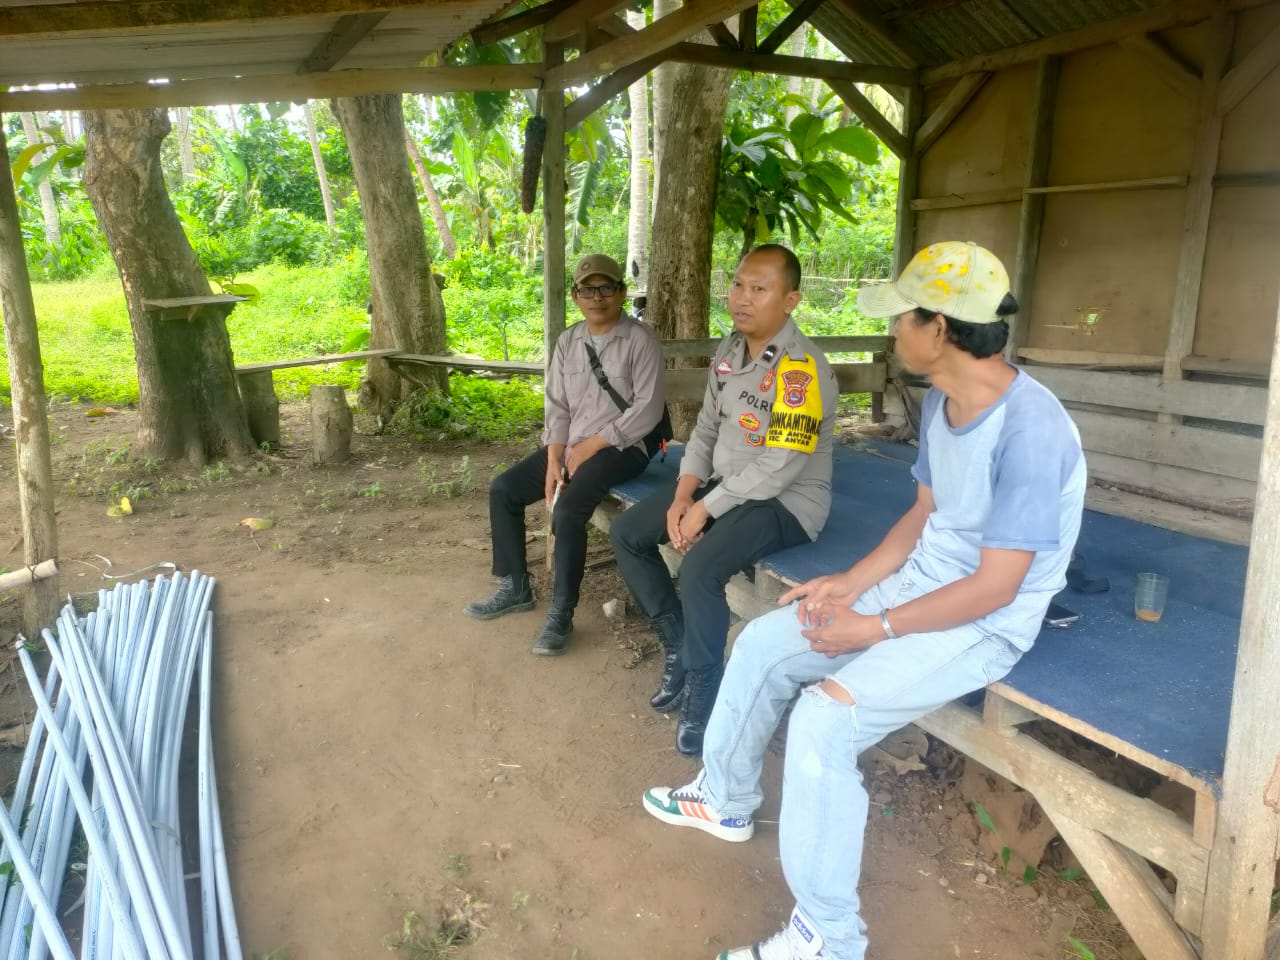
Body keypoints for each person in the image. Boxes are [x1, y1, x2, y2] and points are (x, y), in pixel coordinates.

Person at [640, 241, 1087, 960]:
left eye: (901, 318)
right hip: (919, 584)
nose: (891, 331)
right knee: (763, 643)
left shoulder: (1032, 428)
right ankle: (724, 798)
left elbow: (996, 586)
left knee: (825, 720)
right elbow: (924, 515)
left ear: (939, 328)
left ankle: (829, 937)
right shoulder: (942, 402)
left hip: (985, 621)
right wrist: (851, 583)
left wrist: (873, 627)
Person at [610, 244, 837, 757]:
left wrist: (706, 508)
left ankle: (704, 687)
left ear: (790, 300)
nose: (742, 297)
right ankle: (678, 646)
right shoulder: (730, 351)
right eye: (738, 284)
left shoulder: (802, 369)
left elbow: (780, 467)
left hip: (788, 503)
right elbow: (707, 428)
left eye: (759, 289)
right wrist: (683, 494)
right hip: (728, 485)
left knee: (700, 570)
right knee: (628, 533)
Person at [464, 254, 665, 656]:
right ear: (575, 296)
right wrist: (554, 456)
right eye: (587, 290)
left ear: (621, 292)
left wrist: (594, 444)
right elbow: (557, 406)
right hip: (573, 446)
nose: (597, 297)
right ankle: (515, 585)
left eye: (605, 288)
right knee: (504, 489)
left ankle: (562, 612)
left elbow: (648, 409)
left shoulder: (640, 340)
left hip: (625, 447)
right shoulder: (569, 342)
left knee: (569, 508)